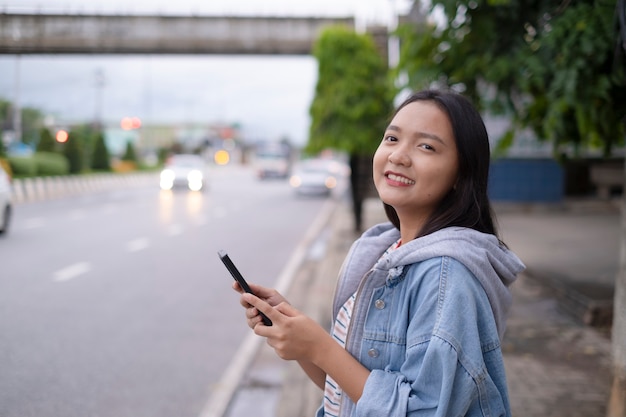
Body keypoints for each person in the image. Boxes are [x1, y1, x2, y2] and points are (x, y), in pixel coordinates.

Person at [234, 88, 526, 416]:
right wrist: (300, 339)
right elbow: (351, 393)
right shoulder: (383, 252)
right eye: (392, 139)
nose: (399, 156)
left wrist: (319, 345)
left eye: (426, 146)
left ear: (461, 175)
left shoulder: (448, 276)